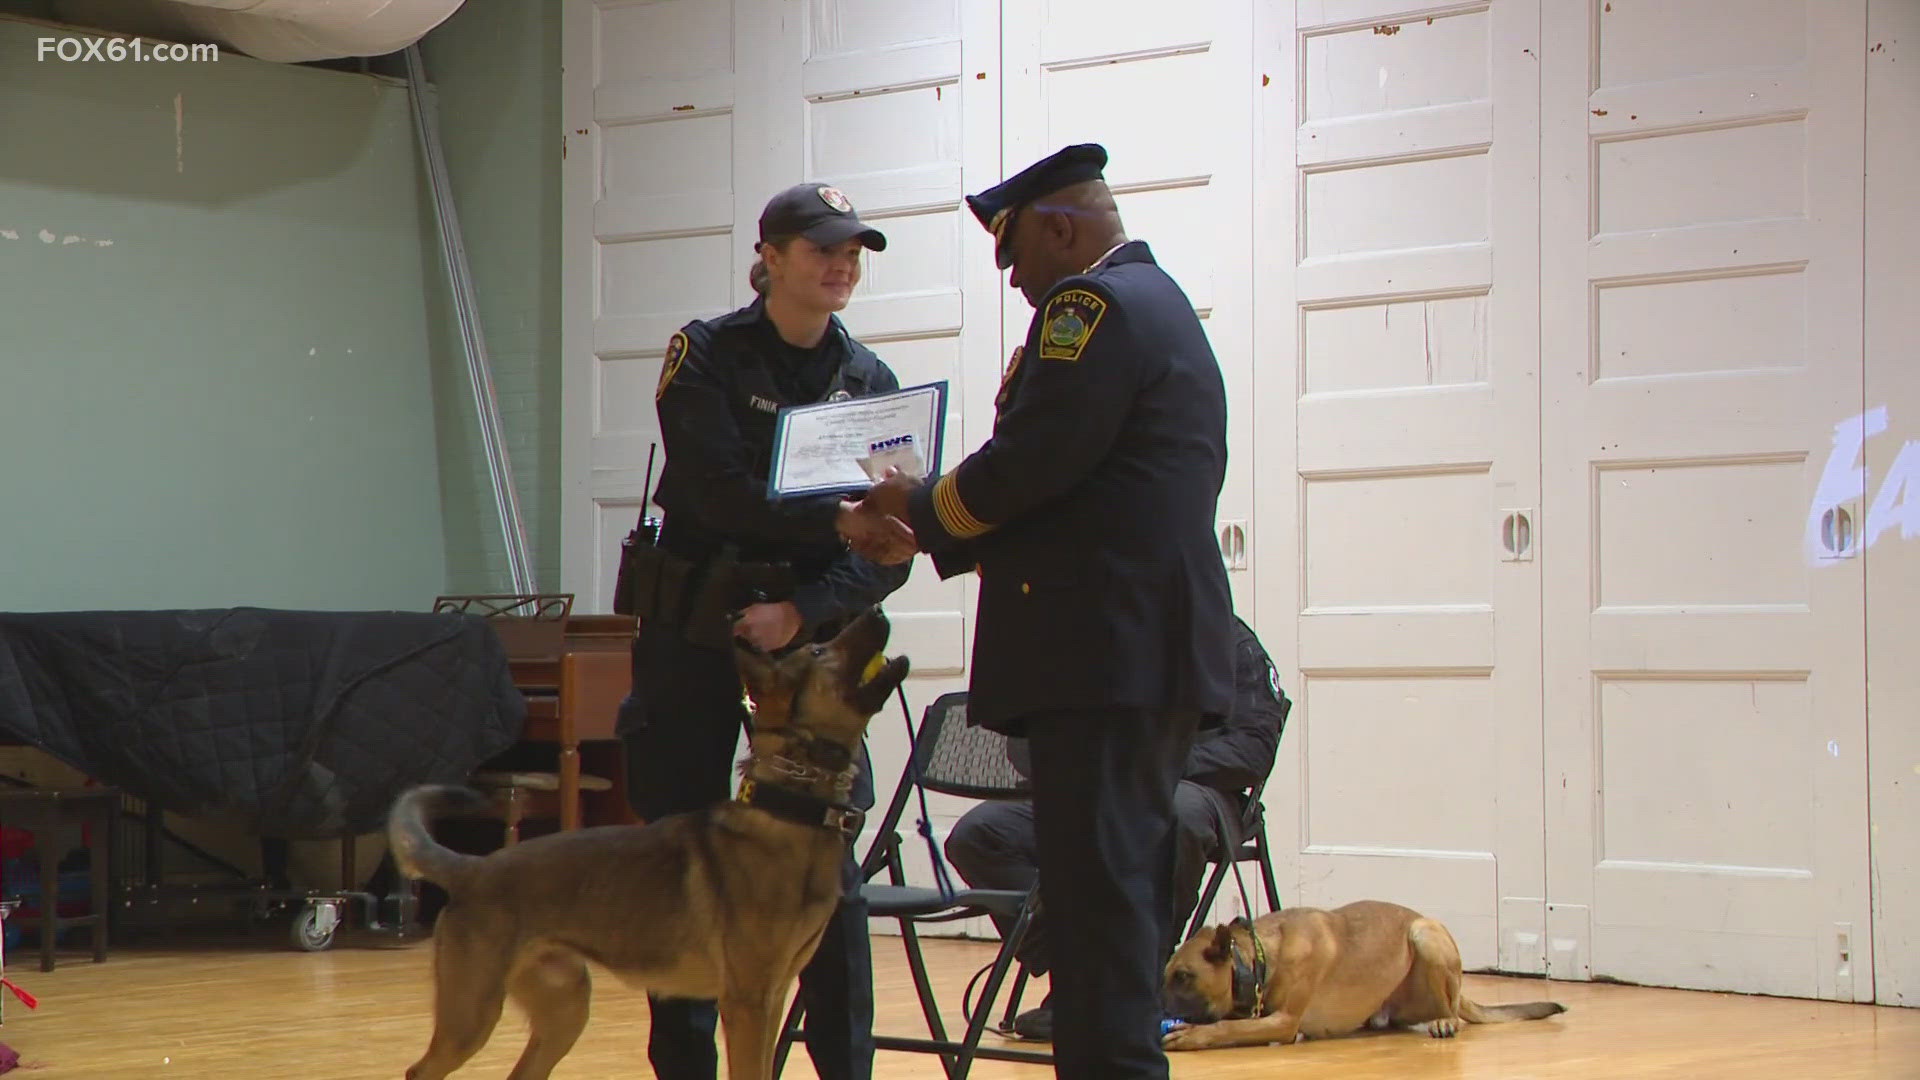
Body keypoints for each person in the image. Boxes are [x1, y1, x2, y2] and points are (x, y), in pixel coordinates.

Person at [847, 143, 1236, 1080]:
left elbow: (1032, 466)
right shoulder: (1160, 302)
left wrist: (918, 506)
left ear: (1060, 227)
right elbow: (1078, 489)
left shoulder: (1091, 308)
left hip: (1100, 658)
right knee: (1113, 898)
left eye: (1015, 255)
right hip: (1136, 653)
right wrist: (943, 526)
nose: (1016, 282)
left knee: (1098, 904)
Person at [616, 181, 914, 1080]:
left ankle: (845, 1068)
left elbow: (891, 548)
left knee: (830, 869)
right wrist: (837, 521)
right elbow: (718, 493)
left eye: (853, 251)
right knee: (685, 854)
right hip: (697, 630)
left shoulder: (870, 383)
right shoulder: (704, 354)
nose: (841, 264)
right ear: (772, 256)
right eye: (822, 248)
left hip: (808, 633)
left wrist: (805, 611)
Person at [944, 612, 1290, 1042]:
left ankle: (1141, 981)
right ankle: (1083, 973)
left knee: (1174, 812)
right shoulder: (1089, 631)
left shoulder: (1228, 641)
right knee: (980, 833)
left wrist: (1147, 767)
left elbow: (1251, 752)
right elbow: (1025, 739)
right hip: (1093, 789)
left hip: (1195, 789)